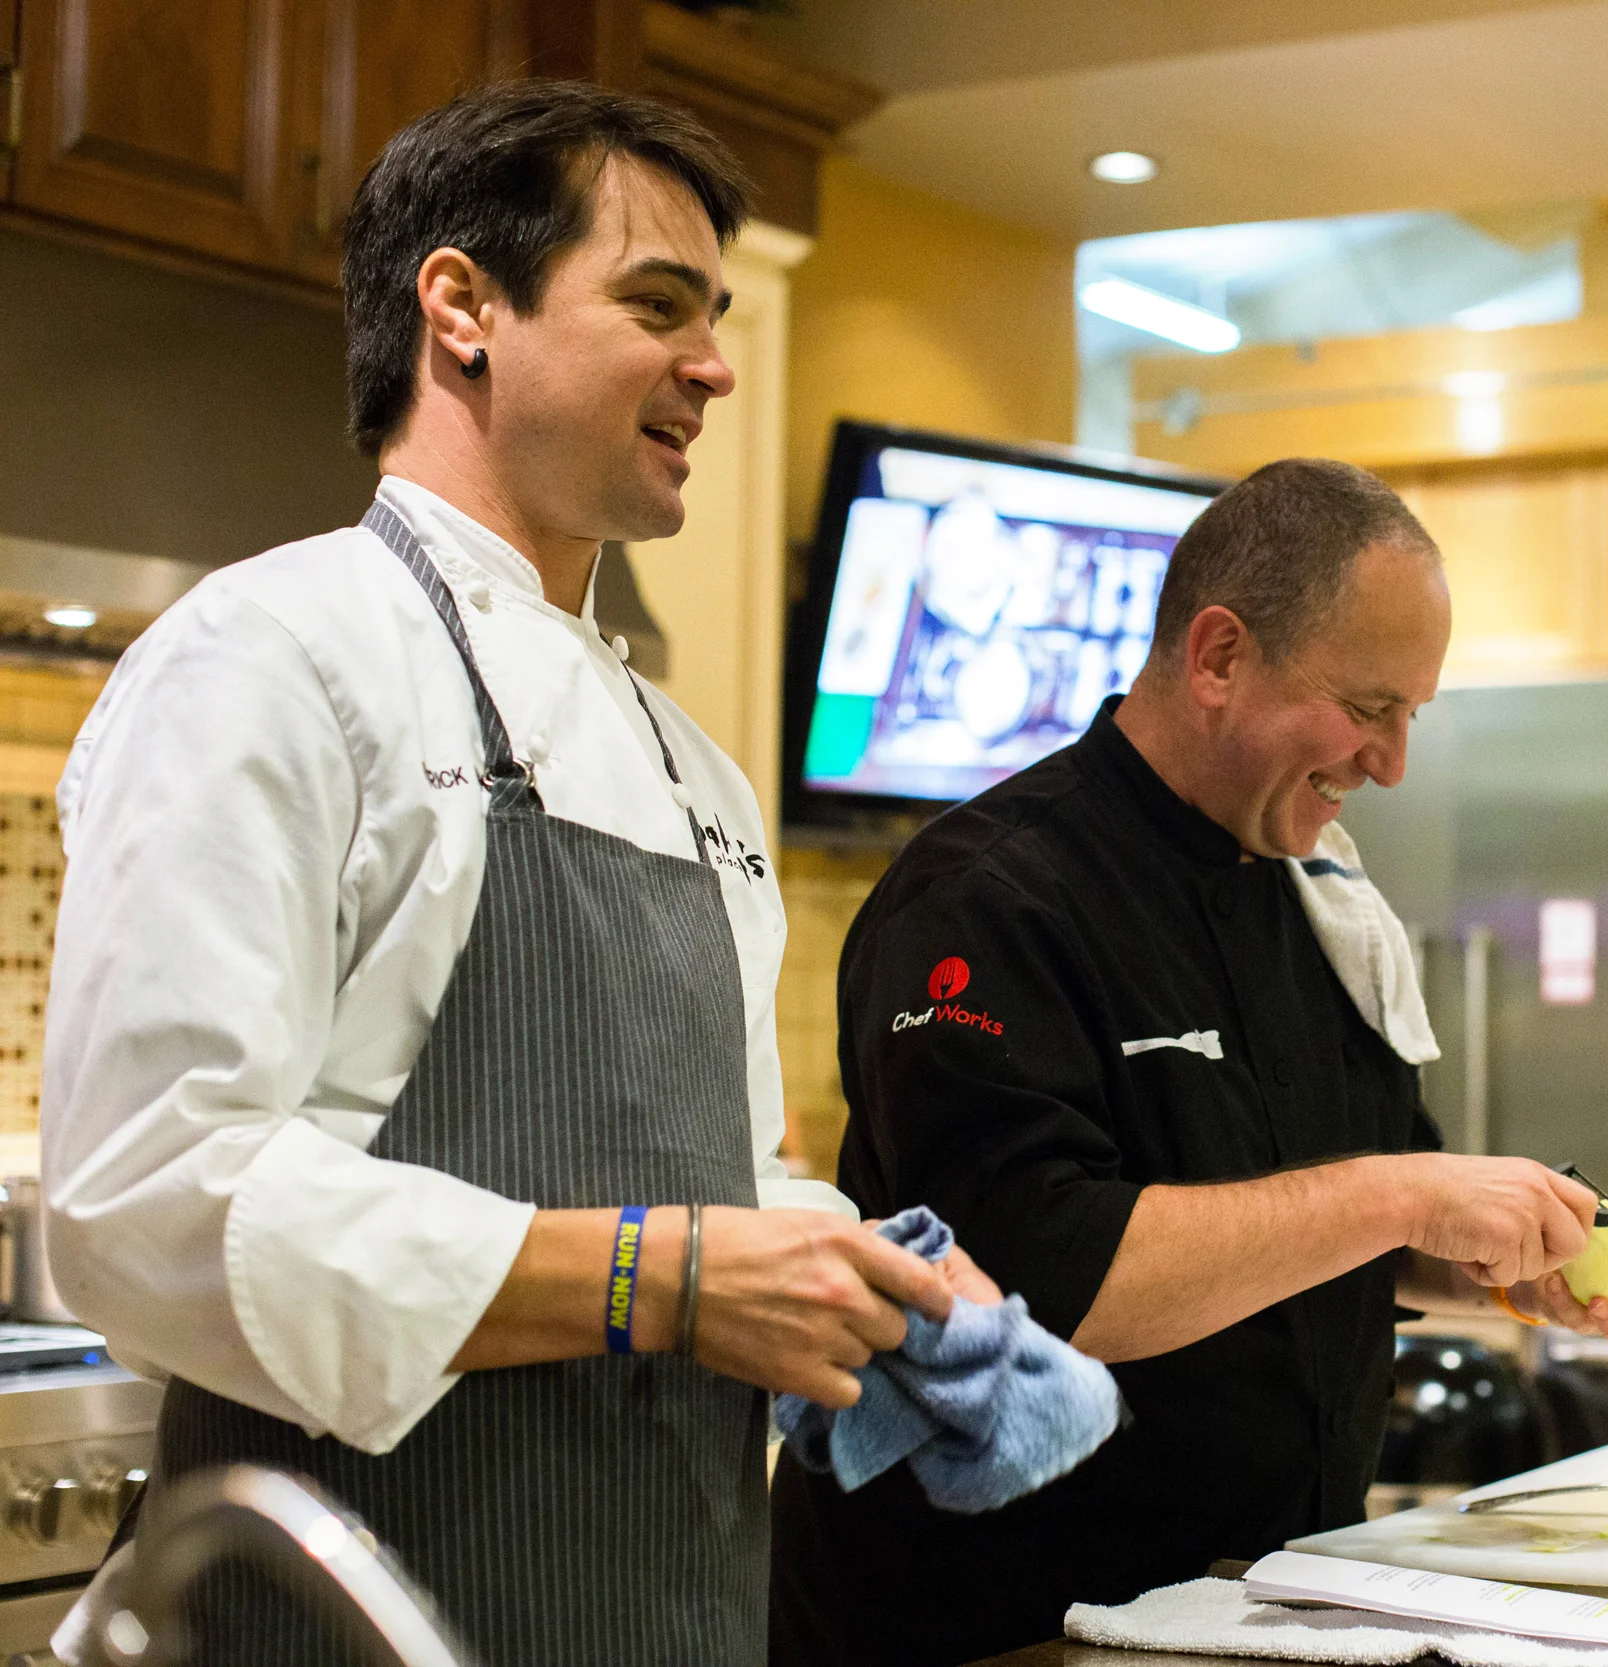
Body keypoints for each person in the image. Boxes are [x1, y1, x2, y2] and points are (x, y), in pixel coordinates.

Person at [42, 82, 994, 1667]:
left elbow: (724, 1167)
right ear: (464, 308)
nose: (717, 365)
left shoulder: (697, 768)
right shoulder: (269, 655)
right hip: (344, 1611)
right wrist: (656, 1275)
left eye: (718, 315)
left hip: (670, 1608)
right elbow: (146, 1197)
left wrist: (858, 1266)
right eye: (657, 305)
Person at [768, 459, 1608, 1667]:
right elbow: (1047, 1284)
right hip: (997, 1627)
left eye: (1413, 712)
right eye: (1370, 707)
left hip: (1259, 1605)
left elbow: (1341, 1219)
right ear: (1217, 656)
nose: (1392, 761)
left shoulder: (1316, 895)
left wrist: (1516, 1257)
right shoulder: (984, 898)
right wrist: (1404, 1194)